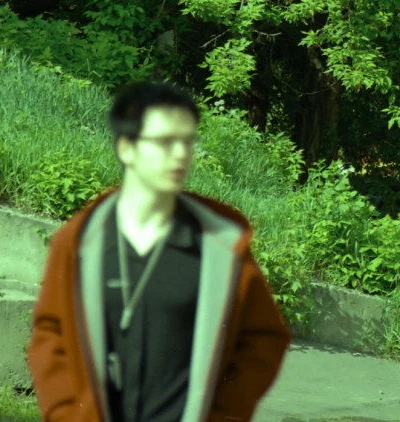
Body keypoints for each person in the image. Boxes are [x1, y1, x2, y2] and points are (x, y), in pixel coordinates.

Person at [27, 81, 292, 421]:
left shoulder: (218, 246)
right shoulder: (80, 242)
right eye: (166, 142)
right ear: (127, 148)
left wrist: (225, 414)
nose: (181, 154)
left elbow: (264, 338)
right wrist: (68, 414)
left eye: (187, 141)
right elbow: (50, 335)